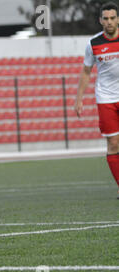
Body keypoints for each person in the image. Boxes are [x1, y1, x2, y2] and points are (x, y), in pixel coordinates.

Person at [75, 2, 119, 199]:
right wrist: (79, 99)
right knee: (113, 145)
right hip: (106, 99)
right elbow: (86, 72)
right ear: (100, 20)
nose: (109, 22)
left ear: (117, 19)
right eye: (105, 19)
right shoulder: (93, 43)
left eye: (112, 18)